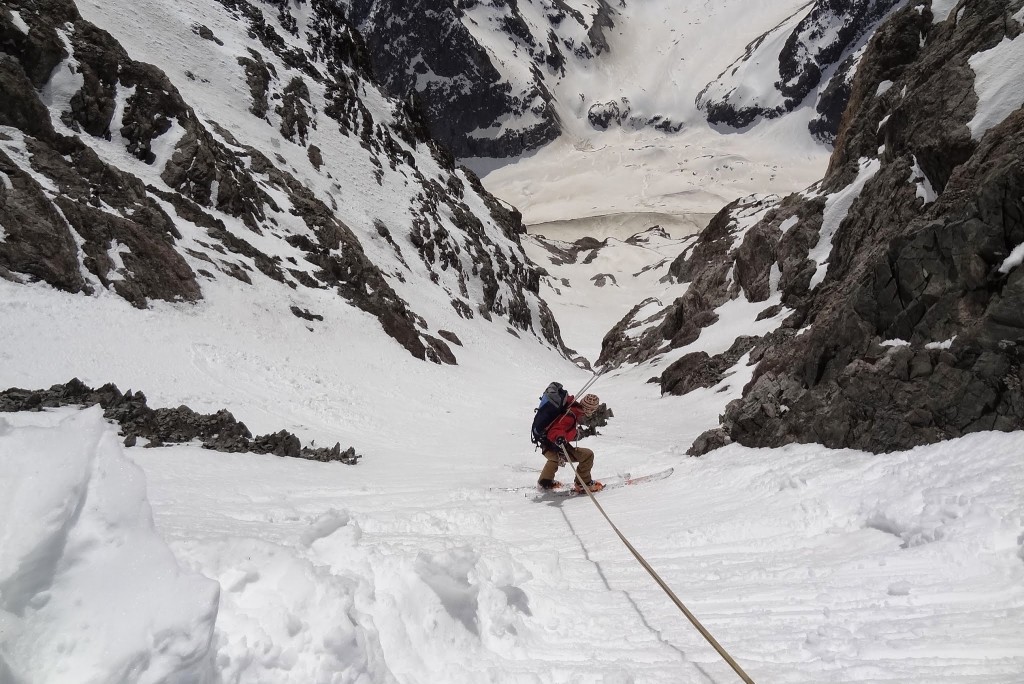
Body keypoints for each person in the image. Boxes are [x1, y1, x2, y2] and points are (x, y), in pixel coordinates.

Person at [537, 393, 605, 493]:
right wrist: (559, 437)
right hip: (553, 446)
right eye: (592, 409)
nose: (592, 412)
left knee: (554, 459)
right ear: (589, 409)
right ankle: (583, 484)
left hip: (549, 446)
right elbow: (556, 430)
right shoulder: (570, 415)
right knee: (587, 455)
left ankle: (545, 482)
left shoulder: (572, 409)